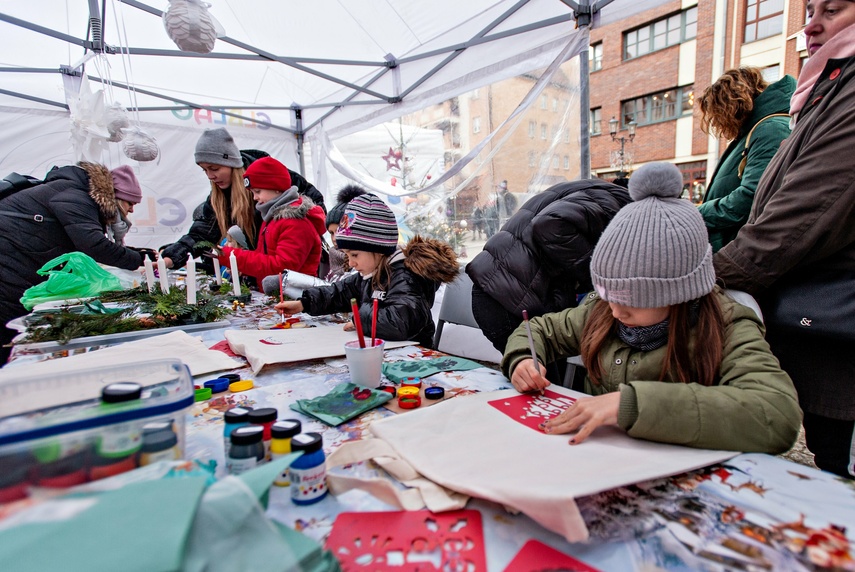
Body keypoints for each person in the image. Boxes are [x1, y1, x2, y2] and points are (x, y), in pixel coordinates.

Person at [502, 163, 801, 454]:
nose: (617, 311)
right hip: (599, 460)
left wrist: (631, 405)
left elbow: (775, 412)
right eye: (609, 295)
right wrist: (523, 360)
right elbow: (539, 330)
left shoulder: (727, 324)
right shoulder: (604, 310)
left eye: (633, 299)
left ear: (680, 293)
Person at [714, 4, 855, 477]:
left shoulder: (786, 118)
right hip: (822, 325)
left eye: (833, 9)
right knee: (831, 464)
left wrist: (705, 276)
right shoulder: (822, 94)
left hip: (838, 324)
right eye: (810, 9)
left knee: (841, 479)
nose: (811, 23)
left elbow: (796, 215)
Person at [467, 178, 630, 383]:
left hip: (499, 290)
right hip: (509, 299)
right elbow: (550, 223)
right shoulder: (616, 205)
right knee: (543, 386)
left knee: (542, 382)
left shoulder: (590, 190)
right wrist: (595, 274)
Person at [0, 162, 147, 363]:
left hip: (19, 262)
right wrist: (139, 260)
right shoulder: (77, 196)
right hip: (9, 264)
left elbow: (88, 239)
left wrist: (133, 254)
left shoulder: (77, 194)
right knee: (7, 326)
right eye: (130, 203)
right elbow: (94, 245)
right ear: (115, 195)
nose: (130, 210)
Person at [275, 193, 459, 347]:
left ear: (378, 250)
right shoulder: (370, 273)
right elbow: (339, 292)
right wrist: (304, 303)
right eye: (347, 255)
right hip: (386, 350)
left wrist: (359, 319)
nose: (351, 262)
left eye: (354, 255)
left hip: (414, 358)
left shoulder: (405, 277)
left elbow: (399, 323)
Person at [159, 128, 324, 270]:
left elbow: (313, 207)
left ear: (231, 163)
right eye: (205, 170)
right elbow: (201, 233)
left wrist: (301, 242)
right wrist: (172, 256)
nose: (210, 176)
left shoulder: (269, 176)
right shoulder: (219, 197)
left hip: (291, 277)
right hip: (261, 273)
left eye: (214, 168)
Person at [697, 67, 795, 252]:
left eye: (717, 114)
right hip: (736, 246)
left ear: (731, 105)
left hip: (743, 250)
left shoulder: (770, 129)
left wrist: (696, 214)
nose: (718, 123)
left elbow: (751, 197)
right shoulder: (758, 129)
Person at [217, 157, 325, 288]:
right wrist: (243, 268)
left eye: (257, 191)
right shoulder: (273, 219)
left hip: (295, 298)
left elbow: (282, 267)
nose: (255, 198)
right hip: (280, 295)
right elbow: (264, 258)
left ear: (276, 188)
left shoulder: (295, 222)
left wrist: (234, 257)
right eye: (252, 192)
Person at [324, 184, 367, 282]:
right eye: (331, 233)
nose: (334, 238)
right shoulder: (332, 265)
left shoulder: (363, 267)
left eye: (340, 230)